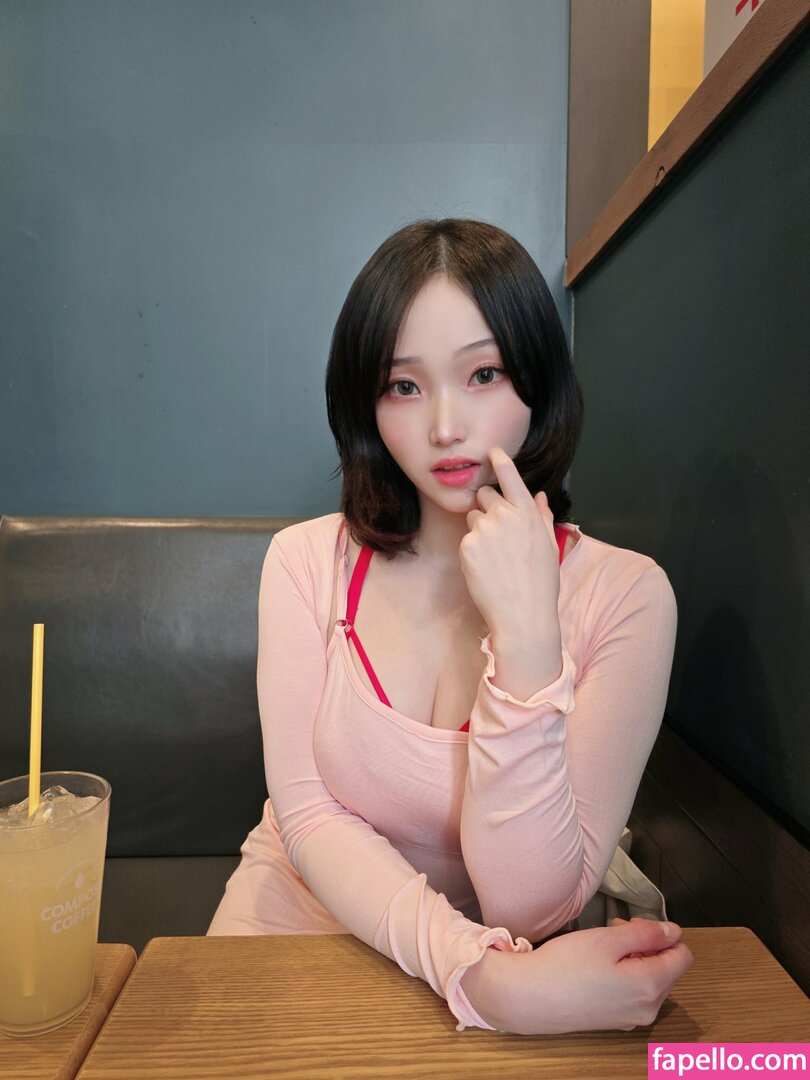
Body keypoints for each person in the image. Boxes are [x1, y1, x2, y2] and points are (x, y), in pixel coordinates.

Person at [208, 218, 693, 1034]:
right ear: (365, 401)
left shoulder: (627, 597)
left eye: (484, 374)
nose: (444, 426)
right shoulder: (304, 561)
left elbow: (528, 907)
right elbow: (309, 820)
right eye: (404, 386)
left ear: (538, 378)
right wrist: (479, 977)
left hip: (495, 972)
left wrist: (527, 637)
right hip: (290, 929)